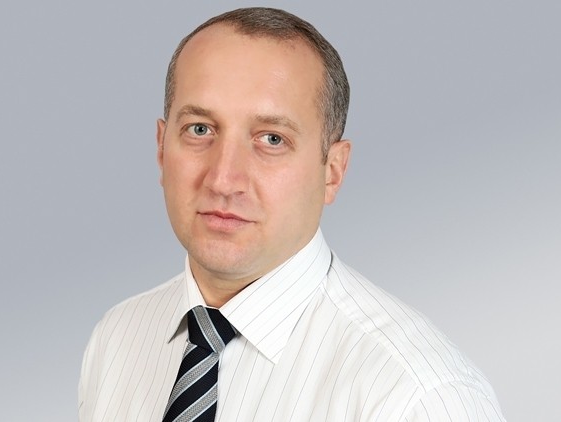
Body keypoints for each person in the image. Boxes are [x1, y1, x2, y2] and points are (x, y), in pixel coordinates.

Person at [78, 7, 505, 422]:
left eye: (271, 139)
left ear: (333, 171)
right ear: (160, 148)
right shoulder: (116, 339)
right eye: (200, 129)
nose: (223, 180)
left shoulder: (418, 398)